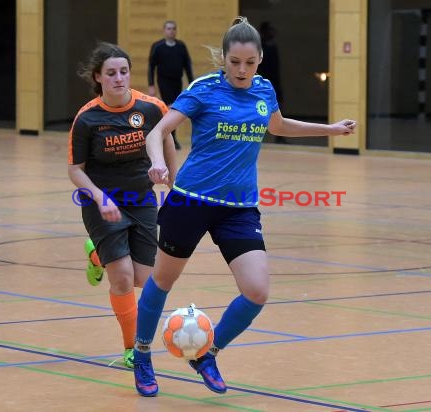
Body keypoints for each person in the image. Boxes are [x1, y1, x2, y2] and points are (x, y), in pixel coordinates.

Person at [132, 17, 356, 397]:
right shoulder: (204, 89)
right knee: (163, 281)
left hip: (239, 208)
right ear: (224, 58)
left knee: (257, 291)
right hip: (191, 201)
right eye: (234, 62)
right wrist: (157, 163)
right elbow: (158, 131)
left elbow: (280, 126)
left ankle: (206, 354)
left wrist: (330, 129)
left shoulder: (264, 90)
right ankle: (140, 355)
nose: (241, 70)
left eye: (249, 63)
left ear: (260, 59)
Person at [67, 42, 176, 369]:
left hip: (141, 199)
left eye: (124, 72)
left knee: (144, 277)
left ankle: (96, 254)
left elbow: (166, 139)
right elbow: (75, 170)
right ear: (98, 77)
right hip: (102, 202)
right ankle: (132, 349)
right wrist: (99, 197)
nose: (119, 78)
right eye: (111, 73)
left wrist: (174, 186)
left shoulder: (152, 107)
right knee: (123, 279)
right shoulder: (87, 119)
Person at [147, 20, 194, 150]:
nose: (171, 31)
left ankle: (171, 136)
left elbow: (187, 66)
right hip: (163, 81)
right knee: (169, 108)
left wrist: (192, 84)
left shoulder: (181, 46)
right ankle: (170, 137)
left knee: (176, 108)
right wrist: (151, 84)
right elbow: (151, 67)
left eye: (173, 28)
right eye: (168, 28)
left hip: (176, 82)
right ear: (164, 30)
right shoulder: (158, 46)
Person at [258, 21, 285, 144]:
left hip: (274, 83)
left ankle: (279, 137)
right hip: (263, 83)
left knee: (278, 108)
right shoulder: (260, 48)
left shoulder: (273, 46)